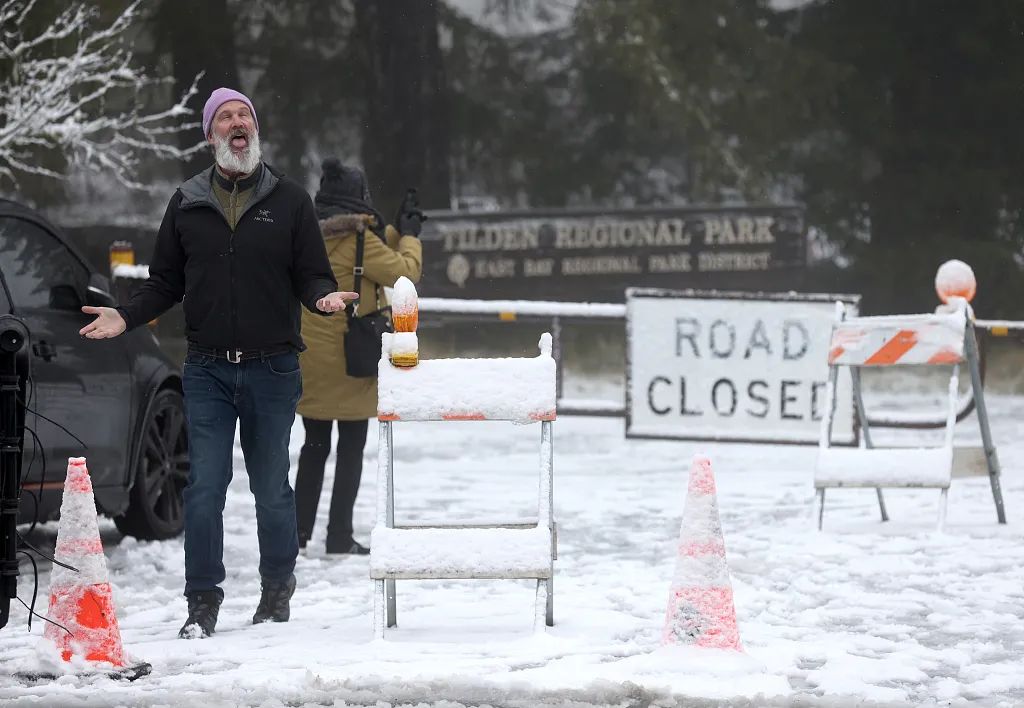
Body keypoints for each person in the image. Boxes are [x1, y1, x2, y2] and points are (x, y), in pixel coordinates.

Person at [78, 88, 359, 639]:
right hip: (207, 371)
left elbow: (311, 274)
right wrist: (125, 318)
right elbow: (164, 283)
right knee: (204, 488)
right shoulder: (186, 202)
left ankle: (277, 590)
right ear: (211, 136)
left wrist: (323, 297)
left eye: (244, 115)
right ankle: (202, 602)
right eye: (225, 117)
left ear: (255, 130)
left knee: (271, 486)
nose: (236, 123)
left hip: (274, 369)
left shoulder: (291, 201)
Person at [294, 158, 423, 554]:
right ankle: (338, 535)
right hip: (352, 361)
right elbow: (405, 272)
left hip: (310, 359)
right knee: (351, 448)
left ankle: (296, 534)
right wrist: (411, 236)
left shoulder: (302, 234)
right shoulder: (362, 241)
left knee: (314, 447)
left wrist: (392, 230)